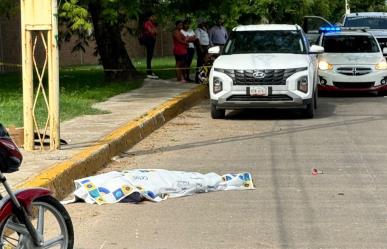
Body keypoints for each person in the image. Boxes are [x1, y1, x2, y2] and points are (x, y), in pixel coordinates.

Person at [142, 14, 159, 79]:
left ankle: (150, 71)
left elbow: (156, 32)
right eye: (152, 16)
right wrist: (153, 31)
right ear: (149, 17)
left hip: (152, 40)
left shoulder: (152, 24)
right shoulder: (147, 23)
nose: (154, 17)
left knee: (151, 55)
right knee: (149, 56)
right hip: (148, 40)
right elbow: (151, 32)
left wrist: (154, 31)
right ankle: (149, 72)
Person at [194, 18, 210, 83]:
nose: (204, 23)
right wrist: (200, 49)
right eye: (203, 22)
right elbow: (197, 40)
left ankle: (203, 78)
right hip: (201, 47)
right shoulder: (198, 30)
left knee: (205, 62)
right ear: (200, 23)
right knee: (200, 62)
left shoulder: (204, 30)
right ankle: (198, 79)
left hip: (206, 47)